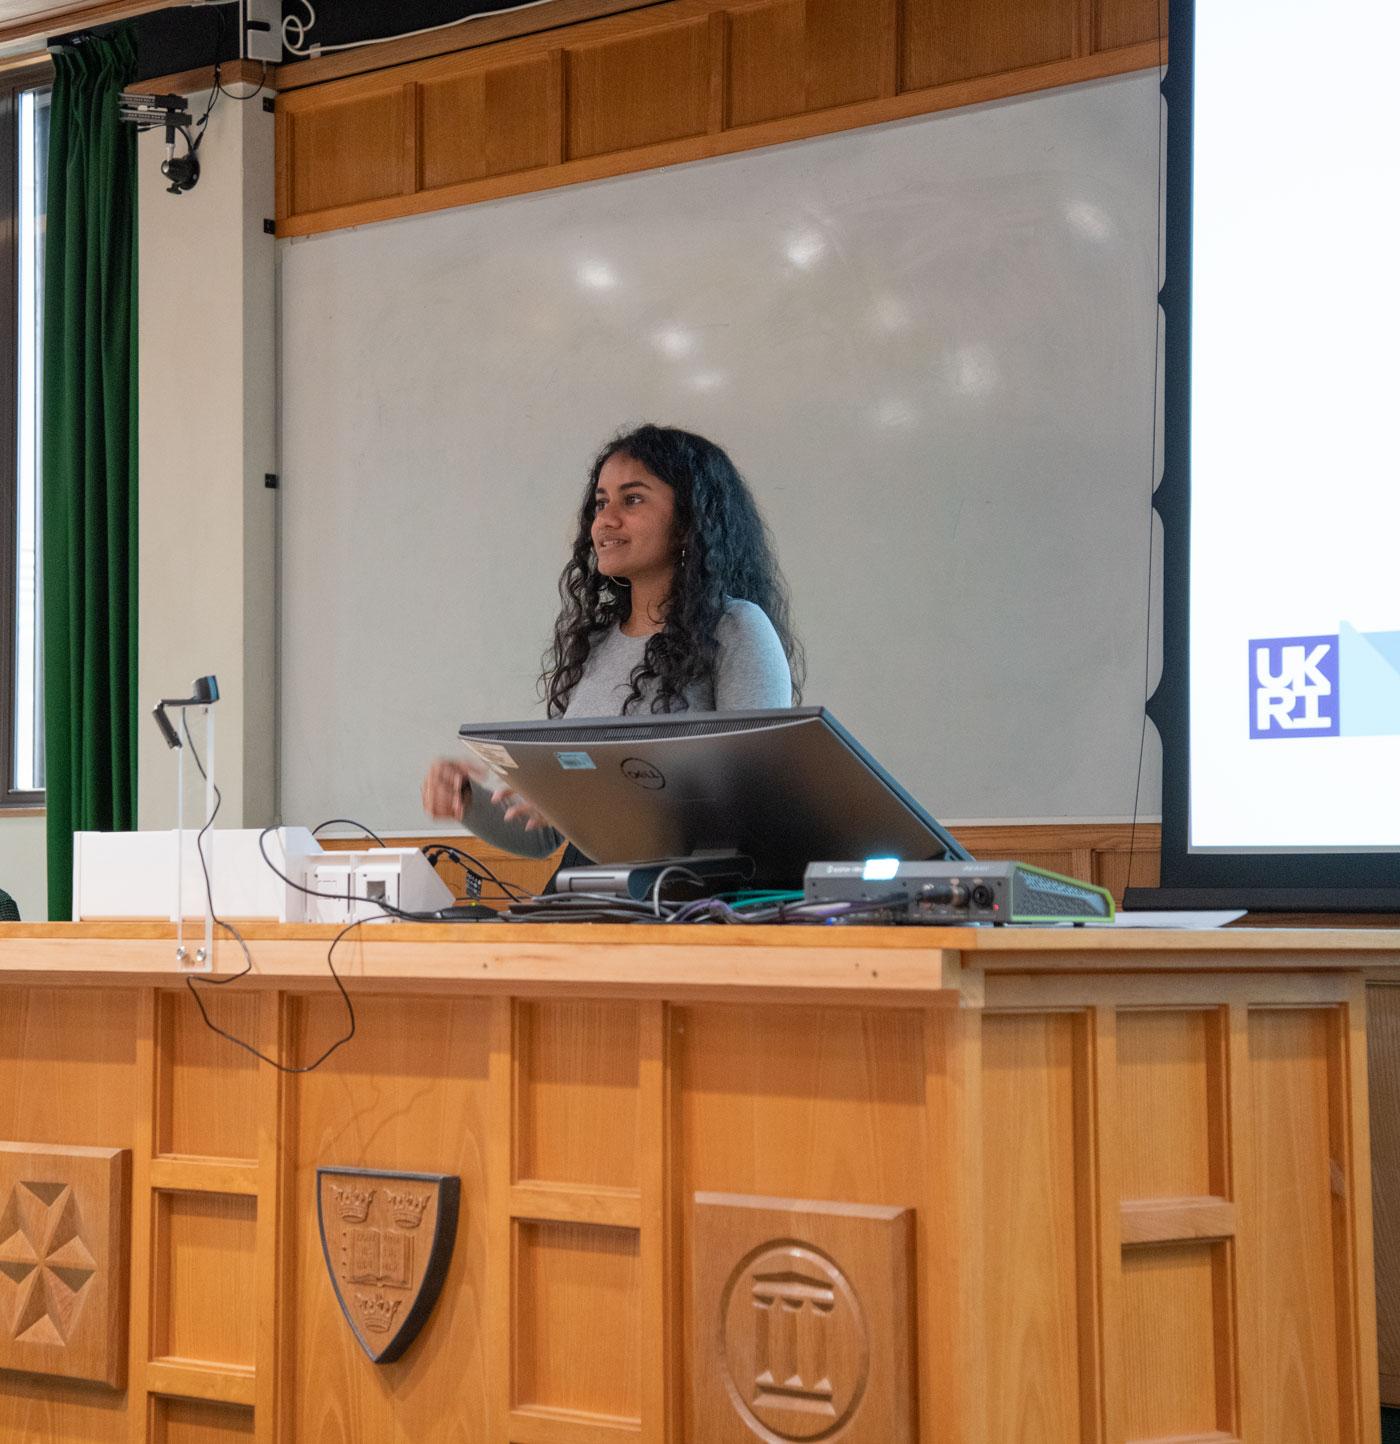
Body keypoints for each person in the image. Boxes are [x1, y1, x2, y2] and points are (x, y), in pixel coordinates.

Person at [421, 423, 804, 861]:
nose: (605, 519)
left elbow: (754, 805)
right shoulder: (597, 646)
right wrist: (466, 798)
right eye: (601, 503)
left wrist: (601, 798)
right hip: (583, 901)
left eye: (632, 499)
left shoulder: (737, 627)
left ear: (688, 522)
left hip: (682, 907)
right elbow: (545, 839)